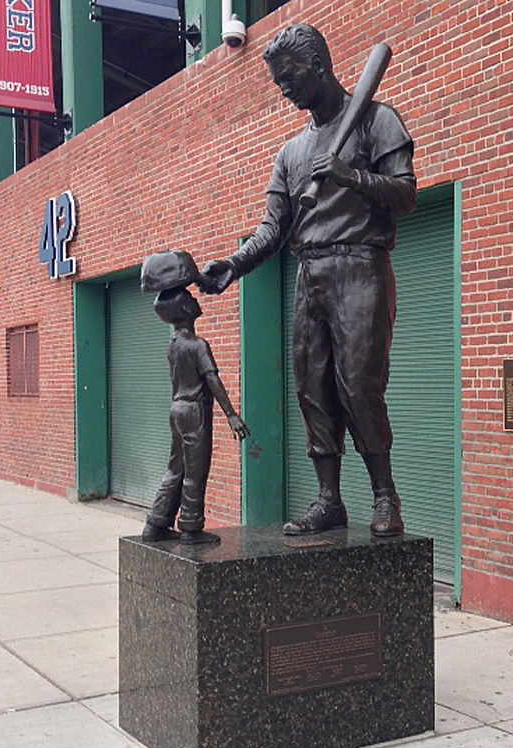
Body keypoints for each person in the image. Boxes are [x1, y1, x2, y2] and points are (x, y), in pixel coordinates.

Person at [201, 24, 416, 537]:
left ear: (318, 65)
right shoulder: (291, 153)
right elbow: (273, 228)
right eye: (276, 81)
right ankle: (328, 500)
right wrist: (234, 264)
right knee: (313, 388)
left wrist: (351, 176)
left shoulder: (375, 120)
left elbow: (405, 195)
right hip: (310, 274)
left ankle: (385, 495)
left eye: (288, 76)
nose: (283, 88)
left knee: (359, 385)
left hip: (361, 265)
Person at [142, 286, 249, 543]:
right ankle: (190, 527)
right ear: (185, 309)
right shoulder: (197, 345)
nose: (195, 300)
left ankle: (156, 523)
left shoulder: (173, 345)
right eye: (190, 298)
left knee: (175, 468)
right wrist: (231, 415)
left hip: (177, 409)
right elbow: (212, 380)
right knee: (195, 471)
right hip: (194, 411)